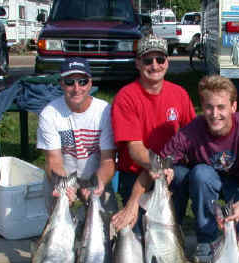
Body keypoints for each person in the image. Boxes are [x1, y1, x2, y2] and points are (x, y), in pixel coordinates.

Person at [161, 75, 239, 263]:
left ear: (233, 107)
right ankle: (206, 239)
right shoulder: (193, 130)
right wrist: (166, 170)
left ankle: (237, 235)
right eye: (209, 107)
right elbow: (164, 159)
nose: (215, 114)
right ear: (202, 107)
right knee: (199, 174)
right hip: (207, 181)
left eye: (221, 107)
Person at [111, 34, 195, 231]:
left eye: (160, 59)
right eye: (148, 60)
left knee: (167, 235)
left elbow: (192, 135)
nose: (155, 65)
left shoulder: (180, 94)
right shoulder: (126, 97)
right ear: (138, 63)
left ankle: (183, 227)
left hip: (171, 173)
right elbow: (135, 148)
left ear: (167, 62)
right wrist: (156, 166)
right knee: (137, 237)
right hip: (135, 173)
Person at [36, 57, 116, 206]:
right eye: (69, 82)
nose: (77, 88)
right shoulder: (49, 114)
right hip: (62, 177)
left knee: (105, 218)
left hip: (95, 176)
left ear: (90, 83)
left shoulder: (105, 111)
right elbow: (53, 160)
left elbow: (108, 160)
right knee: (58, 215)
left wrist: (97, 183)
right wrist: (64, 187)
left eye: (82, 82)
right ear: (61, 84)